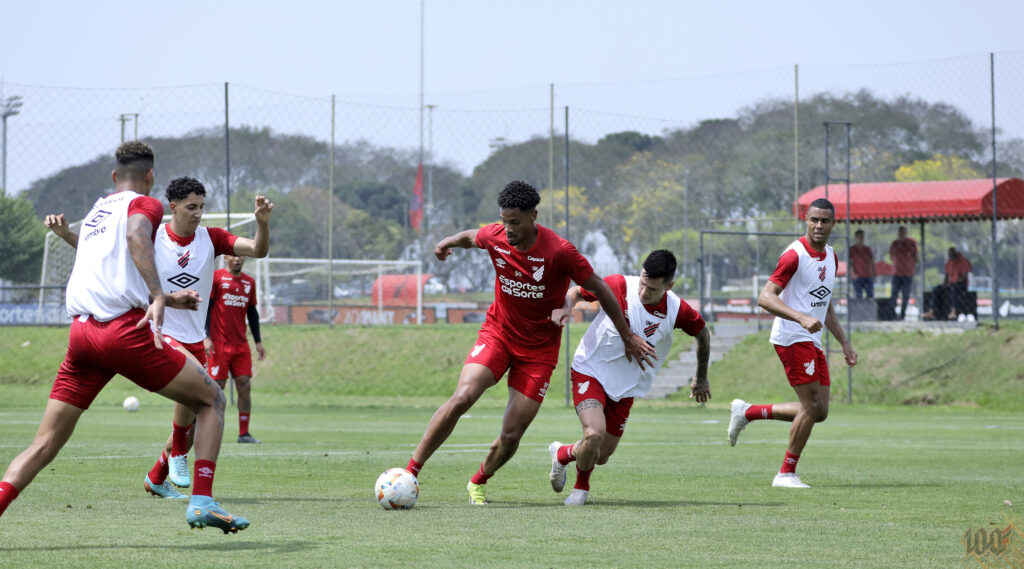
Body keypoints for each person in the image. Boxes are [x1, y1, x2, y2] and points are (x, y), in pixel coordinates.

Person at [0, 142, 248, 532]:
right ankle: (201, 501)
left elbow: (108, 264)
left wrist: (167, 297)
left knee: (44, 444)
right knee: (212, 399)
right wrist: (156, 297)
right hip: (123, 332)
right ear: (151, 177)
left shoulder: (98, 212)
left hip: (81, 335)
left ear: (114, 177)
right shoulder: (144, 205)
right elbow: (136, 237)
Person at [404, 180, 656, 505]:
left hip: (538, 353)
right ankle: (411, 472)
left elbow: (601, 289)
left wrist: (627, 336)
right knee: (462, 397)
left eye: (515, 222)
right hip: (498, 334)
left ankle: (478, 480)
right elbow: (471, 236)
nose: (507, 229)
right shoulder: (495, 235)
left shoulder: (559, 252)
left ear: (533, 215)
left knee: (511, 435)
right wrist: (446, 242)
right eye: (504, 220)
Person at [46, 177, 273, 498]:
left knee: (196, 420)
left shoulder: (212, 238)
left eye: (202, 207)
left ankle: (157, 476)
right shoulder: (151, 235)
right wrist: (66, 233)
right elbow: (98, 251)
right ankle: (180, 457)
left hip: (194, 336)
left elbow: (258, 251)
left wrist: (262, 224)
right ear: (174, 207)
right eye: (191, 207)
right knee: (198, 401)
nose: (197, 214)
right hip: (161, 332)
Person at [546, 249, 711, 506]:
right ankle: (581, 488)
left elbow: (703, 335)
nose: (644, 292)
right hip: (590, 369)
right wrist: (567, 307)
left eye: (653, 289)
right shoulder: (619, 285)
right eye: (644, 283)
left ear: (669, 286)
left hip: (626, 387)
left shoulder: (677, 309)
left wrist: (701, 377)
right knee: (594, 433)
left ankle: (562, 453)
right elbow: (576, 292)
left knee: (600, 455)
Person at [727, 198, 857, 489]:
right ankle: (785, 474)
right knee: (810, 405)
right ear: (806, 221)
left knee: (819, 411)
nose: (819, 226)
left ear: (833, 224)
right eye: (814, 220)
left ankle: (748, 412)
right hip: (792, 336)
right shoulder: (794, 255)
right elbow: (765, 297)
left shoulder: (832, 258)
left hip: (812, 337)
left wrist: (845, 344)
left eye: (825, 221)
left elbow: (825, 304)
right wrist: (800, 318)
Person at [206, 254, 267, 444]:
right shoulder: (216, 278)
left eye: (241, 256)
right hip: (218, 343)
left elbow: (252, 312)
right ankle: (208, 430)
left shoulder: (249, 283)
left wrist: (257, 341)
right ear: (225, 258)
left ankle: (244, 433)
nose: (238, 259)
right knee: (217, 388)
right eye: (233, 255)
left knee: (244, 385)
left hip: (241, 345)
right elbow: (206, 308)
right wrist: (205, 336)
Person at [923, 247, 973, 321]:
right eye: (950, 255)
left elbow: (964, 277)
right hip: (951, 283)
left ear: (956, 254)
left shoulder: (963, 261)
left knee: (954, 289)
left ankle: (954, 312)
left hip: (961, 284)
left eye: (952, 255)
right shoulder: (949, 262)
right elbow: (947, 275)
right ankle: (932, 311)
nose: (951, 257)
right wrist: (945, 284)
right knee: (937, 289)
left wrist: (954, 282)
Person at [889, 226, 918, 320]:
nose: (902, 234)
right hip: (897, 273)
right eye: (901, 232)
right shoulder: (895, 243)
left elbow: (916, 257)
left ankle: (902, 315)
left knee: (906, 295)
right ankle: (892, 314)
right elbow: (891, 256)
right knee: (894, 295)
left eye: (904, 232)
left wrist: (909, 264)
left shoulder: (911, 243)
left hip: (908, 274)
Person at [849, 229, 875, 299]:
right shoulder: (853, 249)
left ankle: (869, 309)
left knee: (870, 295)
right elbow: (850, 263)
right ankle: (859, 310)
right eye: (860, 237)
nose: (861, 238)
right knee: (858, 296)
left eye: (862, 237)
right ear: (856, 238)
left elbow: (872, 261)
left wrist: (873, 273)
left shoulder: (867, 249)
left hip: (868, 276)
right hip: (858, 277)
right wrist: (853, 273)